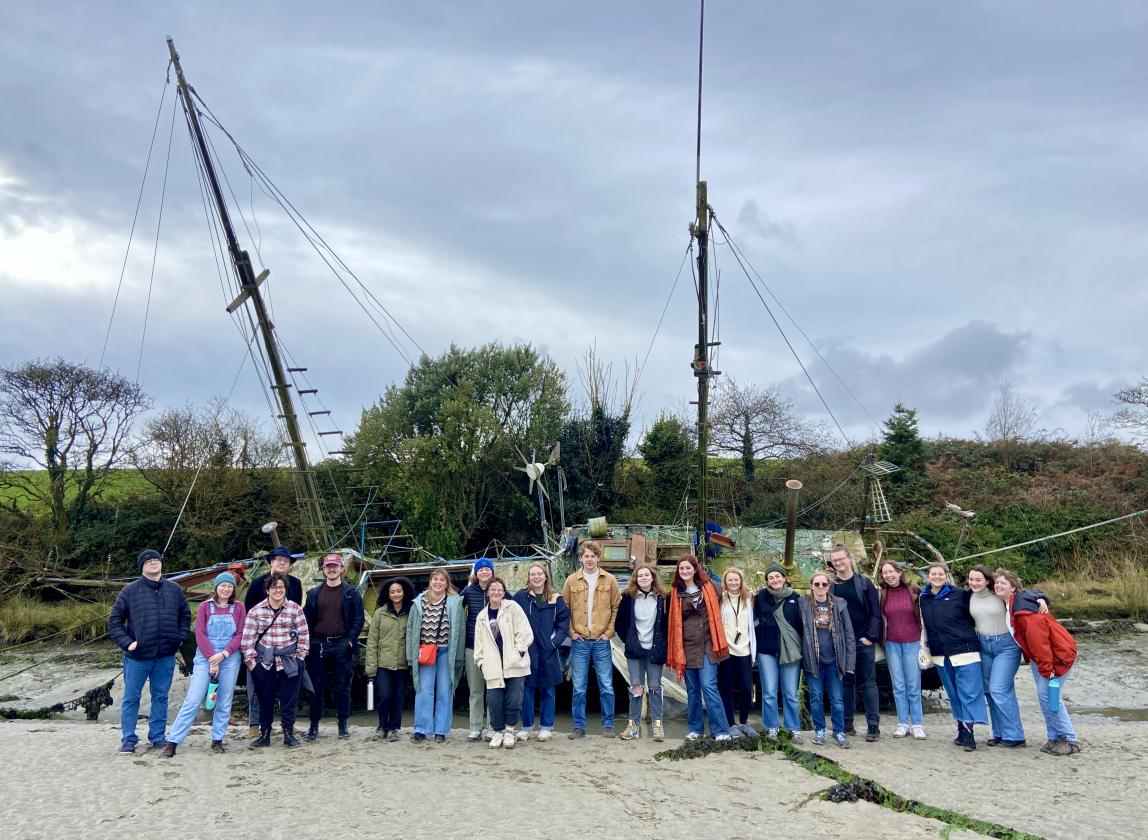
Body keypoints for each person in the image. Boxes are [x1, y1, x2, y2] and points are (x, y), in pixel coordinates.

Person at [107, 548, 191, 754]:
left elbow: (185, 616)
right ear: (142, 567)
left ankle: (158, 737)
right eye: (148, 561)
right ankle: (128, 739)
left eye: (156, 560)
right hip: (138, 656)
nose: (153, 563)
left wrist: (179, 639)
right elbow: (114, 622)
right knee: (131, 697)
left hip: (165, 655)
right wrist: (128, 643)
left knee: (161, 696)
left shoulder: (174, 589)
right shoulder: (130, 591)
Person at [994, 568, 1081, 756]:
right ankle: (1054, 737)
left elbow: (1039, 641)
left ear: (1014, 588)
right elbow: (1034, 594)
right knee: (1045, 697)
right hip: (1041, 657)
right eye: (997, 583)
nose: (998, 585)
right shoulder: (1012, 604)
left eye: (1003, 583)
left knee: (1049, 695)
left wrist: (1046, 668)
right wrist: (1041, 597)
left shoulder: (1023, 610)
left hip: (1059, 654)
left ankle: (1070, 738)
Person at [164, 572, 246, 755]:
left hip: (230, 656)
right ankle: (173, 741)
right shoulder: (205, 607)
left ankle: (217, 740)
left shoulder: (239, 608)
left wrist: (224, 654)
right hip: (204, 656)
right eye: (222, 585)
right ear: (216, 587)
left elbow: (240, 634)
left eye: (229, 586)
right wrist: (212, 658)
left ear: (233, 589)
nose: (226, 589)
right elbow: (200, 634)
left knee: (224, 701)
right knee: (193, 700)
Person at [919, 562, 988, 751]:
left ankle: (969, 733)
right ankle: (961, 727)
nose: (936, 577)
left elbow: (984, 601)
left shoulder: (961, 594)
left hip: (965, 651)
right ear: (928, 576)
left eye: (940, 574)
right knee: (954, 693)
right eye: (933, 574)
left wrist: (1038, 598)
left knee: (969, 693)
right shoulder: (923, 597)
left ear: (946, 576)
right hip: (941, 653)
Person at [241, 572, 310, 749]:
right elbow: (247, 639)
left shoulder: (295, 609)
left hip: (289, 660)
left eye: (281, 587)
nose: (278, 590)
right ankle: (265, 734)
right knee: (265, 698)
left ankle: (288, 732)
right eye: (274, 587)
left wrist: (300, 658)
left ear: (285, 589)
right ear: (267, 590)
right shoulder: (256, 611)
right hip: (265, 661)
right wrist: (252, 664)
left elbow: (303, 636)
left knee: (289, 698)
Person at [666, 554, 731, 742]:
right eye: (681, 568)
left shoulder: (711, 588)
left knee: (709, 686)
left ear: (695, 569)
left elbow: (731, 592)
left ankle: (721, 730)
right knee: (693, 690)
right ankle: (696, 729)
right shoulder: (675, 593)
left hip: (708, 646)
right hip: (685, 647)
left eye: (688, 568)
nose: (685, 571)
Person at [561, 541, 621, 738]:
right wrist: (571, 633)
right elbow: (564, 610)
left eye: (593, 556)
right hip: (580, 641)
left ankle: (608, 725)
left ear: (598, 558)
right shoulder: (571, 581)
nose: (589, 559)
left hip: (601, 641)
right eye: (586, 556)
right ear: (581, 558)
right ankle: (579, 726)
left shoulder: (610, 580)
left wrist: (609, 633)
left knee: (606, 685)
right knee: (579, 686)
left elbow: (616, 608)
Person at [303, 553, 366, 741]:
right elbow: (306, 620)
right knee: (315, 687)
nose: (331, 569)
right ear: (323, 570)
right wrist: (311, 641)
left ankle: (342, 725)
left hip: (341, 643)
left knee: (342, 687)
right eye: (328, 566)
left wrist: (350, 640)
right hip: (319, 644)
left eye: (335, 566)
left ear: (342, 569)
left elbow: (358, 618)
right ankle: (314, 726)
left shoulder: (351, 592)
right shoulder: (313, 594)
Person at [968, 564, 1028, 748]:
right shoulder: (967, 596)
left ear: (988, 580)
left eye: (978, 579)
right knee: (988, 691)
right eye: (971, 579)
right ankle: (998, 733)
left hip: (1006, 646)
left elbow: (1028, 596)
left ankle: (1015, 735)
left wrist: (1042, 599)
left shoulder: (999, 595)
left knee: (999, 689)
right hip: (983, 645)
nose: (974, 583)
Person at [405, 568, 465, 743]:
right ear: (430, 582)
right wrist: (411, 655)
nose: (438, 582)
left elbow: (460, 630)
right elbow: (410, 629)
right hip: (425, 652)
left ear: (447, 584)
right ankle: (421, 729)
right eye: (435, 579)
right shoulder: (419, 602)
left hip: (446, 652)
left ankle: (441, 730)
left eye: (442, 580)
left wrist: (459, 657)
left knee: (445, 691)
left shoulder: (454, 602)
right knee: (423, 690)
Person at [512, 562, 570, 742]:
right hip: (528, 651)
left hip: (548, 651)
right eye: (532, 575)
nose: (536, 577)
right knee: (527, 690)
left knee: (548, 690)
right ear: (528, 577)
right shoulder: (521, 597)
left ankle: (546, 727)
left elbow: (564, 623)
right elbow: (510, 616)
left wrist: (554, 643)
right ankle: (527, 727)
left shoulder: (555, 598)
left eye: (539, 574)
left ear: (545, 576)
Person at [829, 544, 882, 741]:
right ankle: (847, 724)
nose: (838, 563)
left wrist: (870, 636)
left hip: (862, 640)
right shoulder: (831, 585)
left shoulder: (864, 583)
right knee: (846, 684)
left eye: (841, 559)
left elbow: (875, 613)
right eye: (835, 561)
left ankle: (873, 726)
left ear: (849, 558)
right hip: (841, 643)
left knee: (868, 683)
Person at [474, 578, 534, 748]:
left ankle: (509, 731)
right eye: (492, 589)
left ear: (503, 592)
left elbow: (525, 631)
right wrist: (481, 663)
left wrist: (519, 652)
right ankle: (498, 731)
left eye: (499, 589)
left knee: (514, 699)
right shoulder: (482, 617)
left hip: (514, 663)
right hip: (492, 665)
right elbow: (478, 644)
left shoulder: (512, 608)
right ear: (487, 592)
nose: (496, 592)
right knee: (494, 701)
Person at [799, 570, 855, 748]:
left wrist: (849, 662)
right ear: (811, 586)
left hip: (835, 660)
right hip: (813, 660)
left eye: (824, 584)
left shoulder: (839, 604)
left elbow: (849, 633)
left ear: (829, 586)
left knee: (837, 699)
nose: (821, 587)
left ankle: (839, 731)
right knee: (815, 698)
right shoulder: (803, 604)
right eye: (817, 584)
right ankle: (820, 730)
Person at [613, 564, 668, 742]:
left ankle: (658, 726)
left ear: (652, 577)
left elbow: (668, 623)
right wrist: (629, 640)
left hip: (655, 650)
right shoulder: (628, 598)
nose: (643, 578)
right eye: (640, 575)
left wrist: (662, 642)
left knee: (654, 687)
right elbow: (620, 623)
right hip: (635, 649)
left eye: (647, 575)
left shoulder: (663, 598)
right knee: (636, 687)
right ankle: (633, 727)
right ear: (635, 579)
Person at [753, 561, 804, 741]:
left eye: (777, 576)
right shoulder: (760, 597)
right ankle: (771, 726)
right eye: (770, 577)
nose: (774, 579)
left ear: (784, 578)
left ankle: (793, 727)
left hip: (789, 651)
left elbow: (801, 625)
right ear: (767, 581)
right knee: (769, 691)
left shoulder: (796, 598)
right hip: (767, 650)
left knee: (790, 693)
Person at [877, 560, 926, 740]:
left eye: (891, 572)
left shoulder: (913, 590)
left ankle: (918, 723)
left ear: (899, 573)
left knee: (913, 684)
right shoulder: (882, 593)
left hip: (912, 641)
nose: (888, 575)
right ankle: (903, 723)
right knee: (898, 685)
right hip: (892, 643)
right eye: (885, 573)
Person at [365, 576, 415, 741]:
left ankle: (394, 728)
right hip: (383, 663)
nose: (396, 594)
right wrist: (371, 667)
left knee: (398, 698)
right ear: (388, 594)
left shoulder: (412, 612)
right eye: (392, 591)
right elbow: (372, 641)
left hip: (402, 663)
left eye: (398, 591)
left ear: (404, 592)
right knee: (384, 695)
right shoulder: (380, 613)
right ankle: (381, 726)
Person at [718, 567, 757, 737]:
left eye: (736, 580)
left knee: (746, 688)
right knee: (726, 688)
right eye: (730, 580)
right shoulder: (721, 599)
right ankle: (730, 724)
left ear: (741, 581)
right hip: (726, 650)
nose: (733, 582)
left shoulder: (749, 599)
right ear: (725, 582)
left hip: (745, 650)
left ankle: (744, 721)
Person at [461, 558, 495, 741]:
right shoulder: (468, 591)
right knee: (475, 690)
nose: (484, 572)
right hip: (472, 647)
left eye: (487, 569)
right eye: (481, 569)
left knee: (492, 689)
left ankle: (491, 726)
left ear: (492, 572)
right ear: (476, 573)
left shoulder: (498, 590)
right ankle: (475, 727)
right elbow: (457, 611)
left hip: (494, 649)